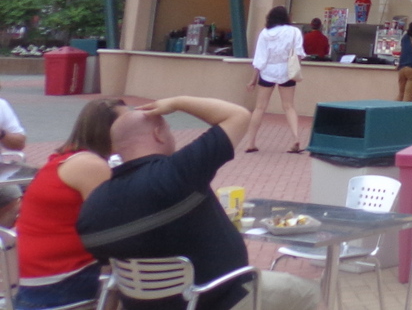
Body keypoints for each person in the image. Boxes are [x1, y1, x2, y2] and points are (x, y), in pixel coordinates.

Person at [77, 95, 319, 310]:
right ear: (158, 133)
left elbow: (111, 269)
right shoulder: (180, 173)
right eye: (169, 130)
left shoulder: (92, 210)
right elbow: (237, 115)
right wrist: (176, 102)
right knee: (309, 293)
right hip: (220, 299)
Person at [14, 99, 123, 309]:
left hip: (31, 278)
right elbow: (115, 225)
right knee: (146, 272)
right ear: (107, 130)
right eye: (127, 122)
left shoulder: (63, 159)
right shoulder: (91, 166)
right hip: (55, 283)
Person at [241, 5, 306, 153]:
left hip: (267, 71)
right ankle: (295, 138)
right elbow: (299, 54)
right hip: (287, 71)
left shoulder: (265, 33)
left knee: (260, 107)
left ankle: (251, 142)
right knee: (289, 106)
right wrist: (296, 69)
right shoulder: (294, 32)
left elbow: (260, 59)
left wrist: (253, 79)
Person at [0, 79, 27, 226]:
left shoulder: (1, 105)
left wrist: (2, 134)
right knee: (12, 194)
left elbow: (19, 143)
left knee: (36, 187)